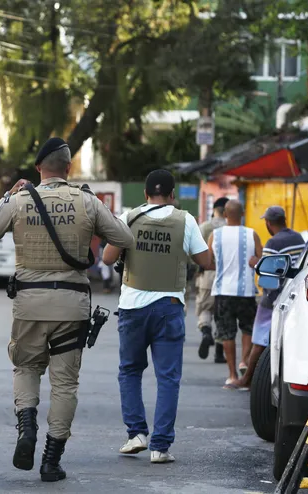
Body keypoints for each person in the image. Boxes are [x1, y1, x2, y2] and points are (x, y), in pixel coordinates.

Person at [0, 137, 134, 483]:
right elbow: (124, 237)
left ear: (37, 169)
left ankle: (27, 425)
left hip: (29, 305)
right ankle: (51, 459)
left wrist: (9, 194)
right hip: (72, 306)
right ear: (68, 168)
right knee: (65, 384)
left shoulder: (20, 200)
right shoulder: (86, 201)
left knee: (25, 366)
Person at [102, 170, 214, 464]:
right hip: (169, 306)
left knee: (129, 371)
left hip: (132, 306)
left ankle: (136, 434)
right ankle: (160, 447)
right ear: (173, 194)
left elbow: (107, 258)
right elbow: (206, 260)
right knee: (167, 378)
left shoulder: (129, 218)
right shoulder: (186, 220)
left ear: (145, 194)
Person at [230, 206, 305, 390]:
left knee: (259, 340)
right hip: (293, 295)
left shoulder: (273, 243)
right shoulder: (299, 238)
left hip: (273, 297)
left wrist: (255, 263)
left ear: (269, 223)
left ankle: (246, 380)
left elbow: (268, 271)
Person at [207, 200, 262, 388]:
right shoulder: (251, 234)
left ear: (224, 215)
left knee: (226, 334)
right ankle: (244, 362)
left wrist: (220, 266)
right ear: (243, 213)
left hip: (222, 291)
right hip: (246, 291)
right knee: (248, 329)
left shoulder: (215, 235)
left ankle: (231, 375)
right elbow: (261, 261)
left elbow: (207, 262)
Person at [196, 197, 229, 364]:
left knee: (204, 307)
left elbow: (193, 251)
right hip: (226, 274)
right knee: (222, 313)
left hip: (207, 273)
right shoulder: (231, 228)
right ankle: (218, 352)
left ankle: (206, 331)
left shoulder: (204, 227)